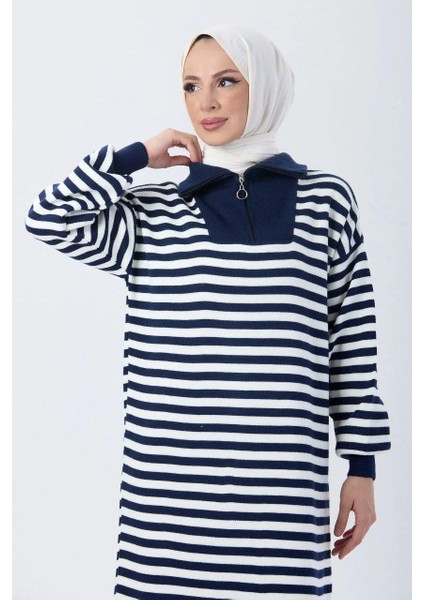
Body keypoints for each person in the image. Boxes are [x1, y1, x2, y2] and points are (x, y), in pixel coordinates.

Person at [25, 23, 391, 600]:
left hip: (281, 508)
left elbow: (351, 346)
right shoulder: (152, 213)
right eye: (191, 86)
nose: (206, 102)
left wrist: (362, 468)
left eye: (226, 81)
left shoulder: (326, 201)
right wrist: (134, 157)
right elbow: (48, 218)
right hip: (167, 517)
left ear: (264, 86)